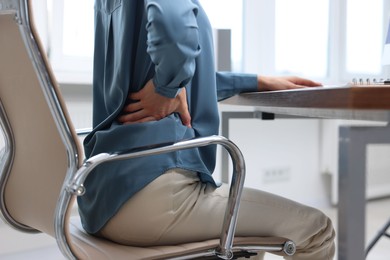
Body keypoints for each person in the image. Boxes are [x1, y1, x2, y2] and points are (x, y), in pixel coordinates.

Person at [78, 0, 336, 259]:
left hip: (101, 198)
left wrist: (255, 81)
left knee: (249, 244)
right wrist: (167, 87)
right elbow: (173, 25)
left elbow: (177, 81)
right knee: (316, 231)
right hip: (152, 197)